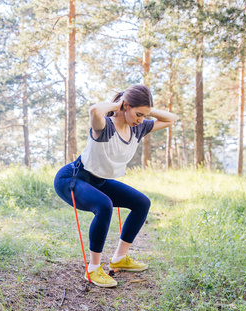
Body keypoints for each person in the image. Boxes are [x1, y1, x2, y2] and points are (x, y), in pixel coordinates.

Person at [53, 84, 179, 287]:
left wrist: (145, 109)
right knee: (104, 205)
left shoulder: (138, 128)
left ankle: (119, 258)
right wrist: (120, 103)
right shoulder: (104, 126)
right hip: (73, 179)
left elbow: (172, 118)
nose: (141, 119)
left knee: (141, 202)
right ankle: (93, 269)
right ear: (125, 106)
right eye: (138, 114)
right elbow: (94, 110)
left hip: (100, 180)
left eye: (143, 115)